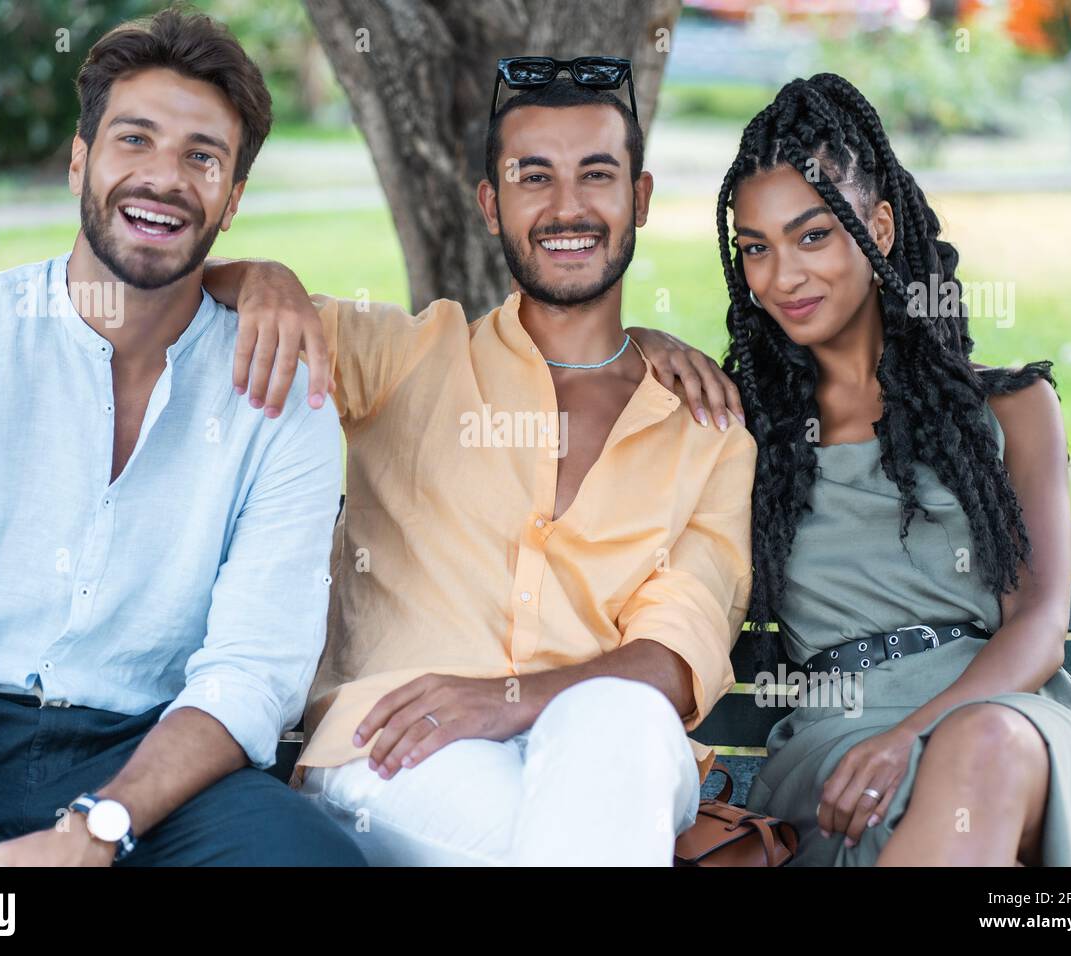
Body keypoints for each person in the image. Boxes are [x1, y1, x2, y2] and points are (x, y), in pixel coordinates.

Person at [203, 70, 756, 865]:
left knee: (619, 713)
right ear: (491, 206)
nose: (567, 207)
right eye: (534, 177)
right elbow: (181, 287)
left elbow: (674, 656)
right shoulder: (406, 357)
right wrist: (266, 278)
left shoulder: (707, 432)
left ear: (638, 198)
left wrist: (505, 702)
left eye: (595, 174)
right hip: (398, 749)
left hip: (615, 753)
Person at [0, 8, 363, 867]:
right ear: (78, 161)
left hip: (151, 760)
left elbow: (251, 672)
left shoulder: (289, 396)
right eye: (134, 140)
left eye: (202, 157)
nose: (164, 178)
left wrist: (99, 828)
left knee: (304, 861)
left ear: (233, 200)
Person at [716, 73, 1071, 866]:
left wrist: (915, 733)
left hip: (1010, 714)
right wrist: (652, 346)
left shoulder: (1013, 409)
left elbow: (1042, 629)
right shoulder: (747, 429)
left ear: (879, 227)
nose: (783, 277)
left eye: (814, 235)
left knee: (982, 749)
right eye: (756, 249)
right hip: (838, 740)